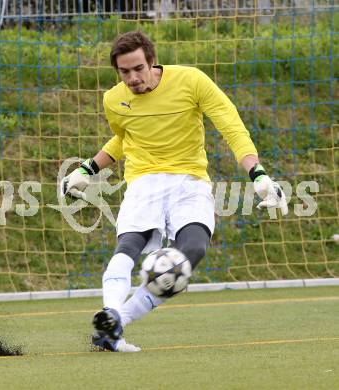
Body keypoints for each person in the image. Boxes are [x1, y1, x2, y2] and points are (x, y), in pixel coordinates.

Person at [61, 31, 287, 352]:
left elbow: (230, 125)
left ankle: (114, 325)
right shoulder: (114, 99)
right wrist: (88, 169)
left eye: (138, 68)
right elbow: (126, 137)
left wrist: (257, 172)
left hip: (189, 180)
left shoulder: (191, 81)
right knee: (129, 245)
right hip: (144, 181)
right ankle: (110, 311)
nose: (133, 78)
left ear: (152, 61)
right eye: (124, 72)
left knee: (191, 252)